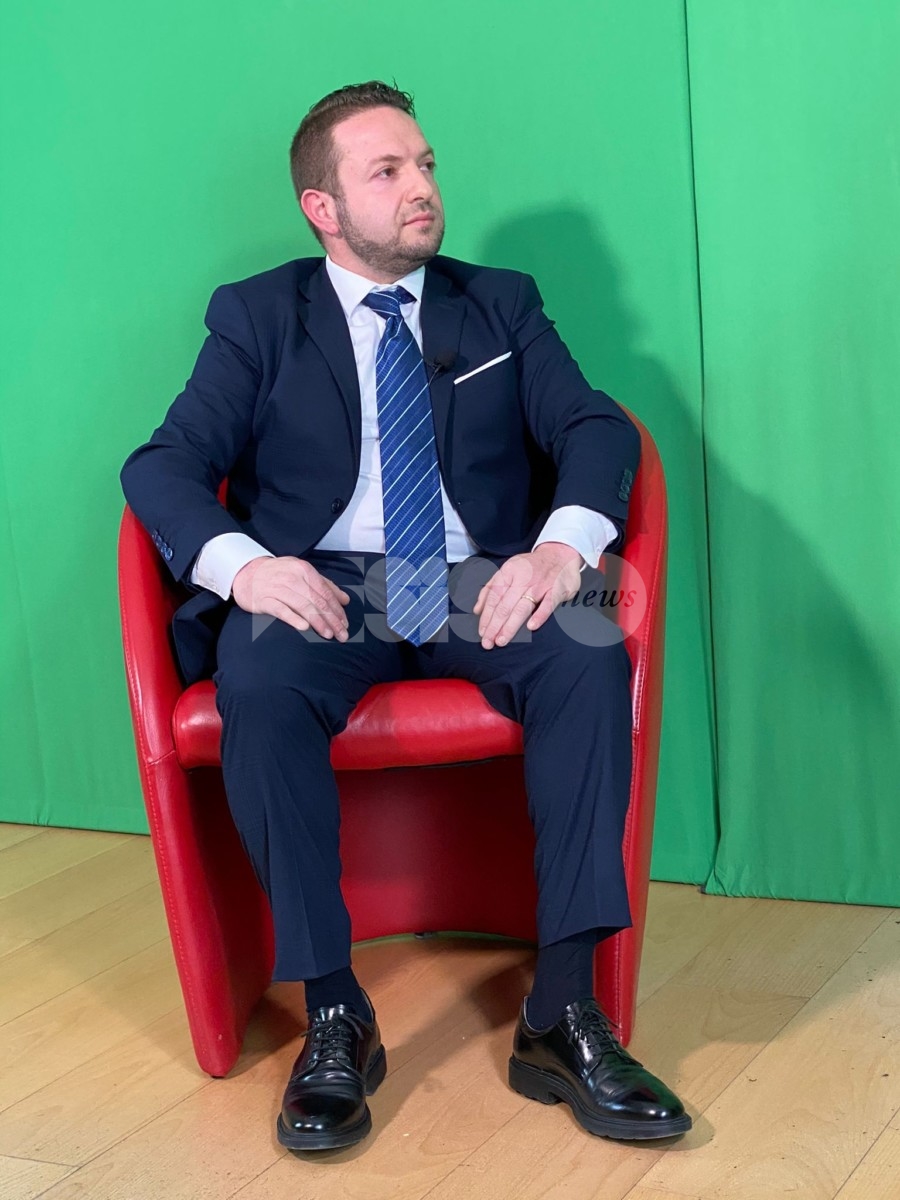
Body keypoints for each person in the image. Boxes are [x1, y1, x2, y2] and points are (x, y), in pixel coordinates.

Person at [120, 80, 691, 1152]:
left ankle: (563, 1012)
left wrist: (562, 548)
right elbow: (163, 466)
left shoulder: (499, 302)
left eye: (424, 164)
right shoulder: (256, 315)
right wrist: (247, 569)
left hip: (482, 576)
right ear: (323, 207)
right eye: (387, 171)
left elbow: (593, 427)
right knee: (257, 678)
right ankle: (334, 1011)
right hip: (323, 582)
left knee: (587, 651)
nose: (421, 186)